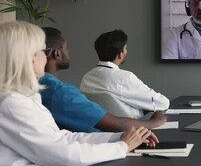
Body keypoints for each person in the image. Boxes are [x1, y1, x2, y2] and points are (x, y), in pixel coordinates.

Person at [0, 21, 158, 165]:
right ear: (26, 57)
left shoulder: (26, 97)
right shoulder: (11, 103)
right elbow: (62, 153)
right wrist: (122, 146)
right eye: (42, 51)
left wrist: (121, 138)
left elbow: (63, 139)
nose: (45, 56)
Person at [39, 27, 166, 132]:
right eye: (66, 47)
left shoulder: (86, 78)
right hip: (111, 140)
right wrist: (154, 122)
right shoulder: (60, 92)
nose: (68, 51)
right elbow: (118, 123)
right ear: (57, 54)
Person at [80, 29, 170, 119]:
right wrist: (143, 108)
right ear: (120, 54)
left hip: (96, 131)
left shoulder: (87, 78)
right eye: (125, 48)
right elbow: (162, 103)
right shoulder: (124, 78)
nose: (126, 51)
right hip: (131, 130)